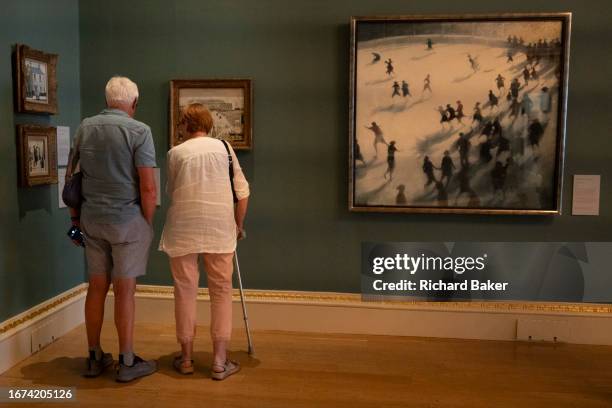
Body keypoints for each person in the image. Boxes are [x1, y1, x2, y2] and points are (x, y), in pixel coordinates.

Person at [69, 76, 157, 382]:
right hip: (127, 220)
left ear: (108, 100)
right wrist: (147, 223)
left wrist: (75, 219)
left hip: (92, 218)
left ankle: (94, 357)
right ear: (133, 103)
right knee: (125, 290)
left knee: (96, 287)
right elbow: (148, 187)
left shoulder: (85, 127)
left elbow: (72, 179)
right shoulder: (139, 131)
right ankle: (127, 361)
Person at [159, 103, 250, 381]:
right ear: (208, 124)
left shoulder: (175, 153)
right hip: (219, 227)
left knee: (184, 290)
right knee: (221, 292)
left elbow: (172, 191)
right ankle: (219, 362)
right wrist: (238, 225)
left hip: (183, 227)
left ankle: (186, 359)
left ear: (186, 125)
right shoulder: (225, 148)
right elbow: (242, 192)